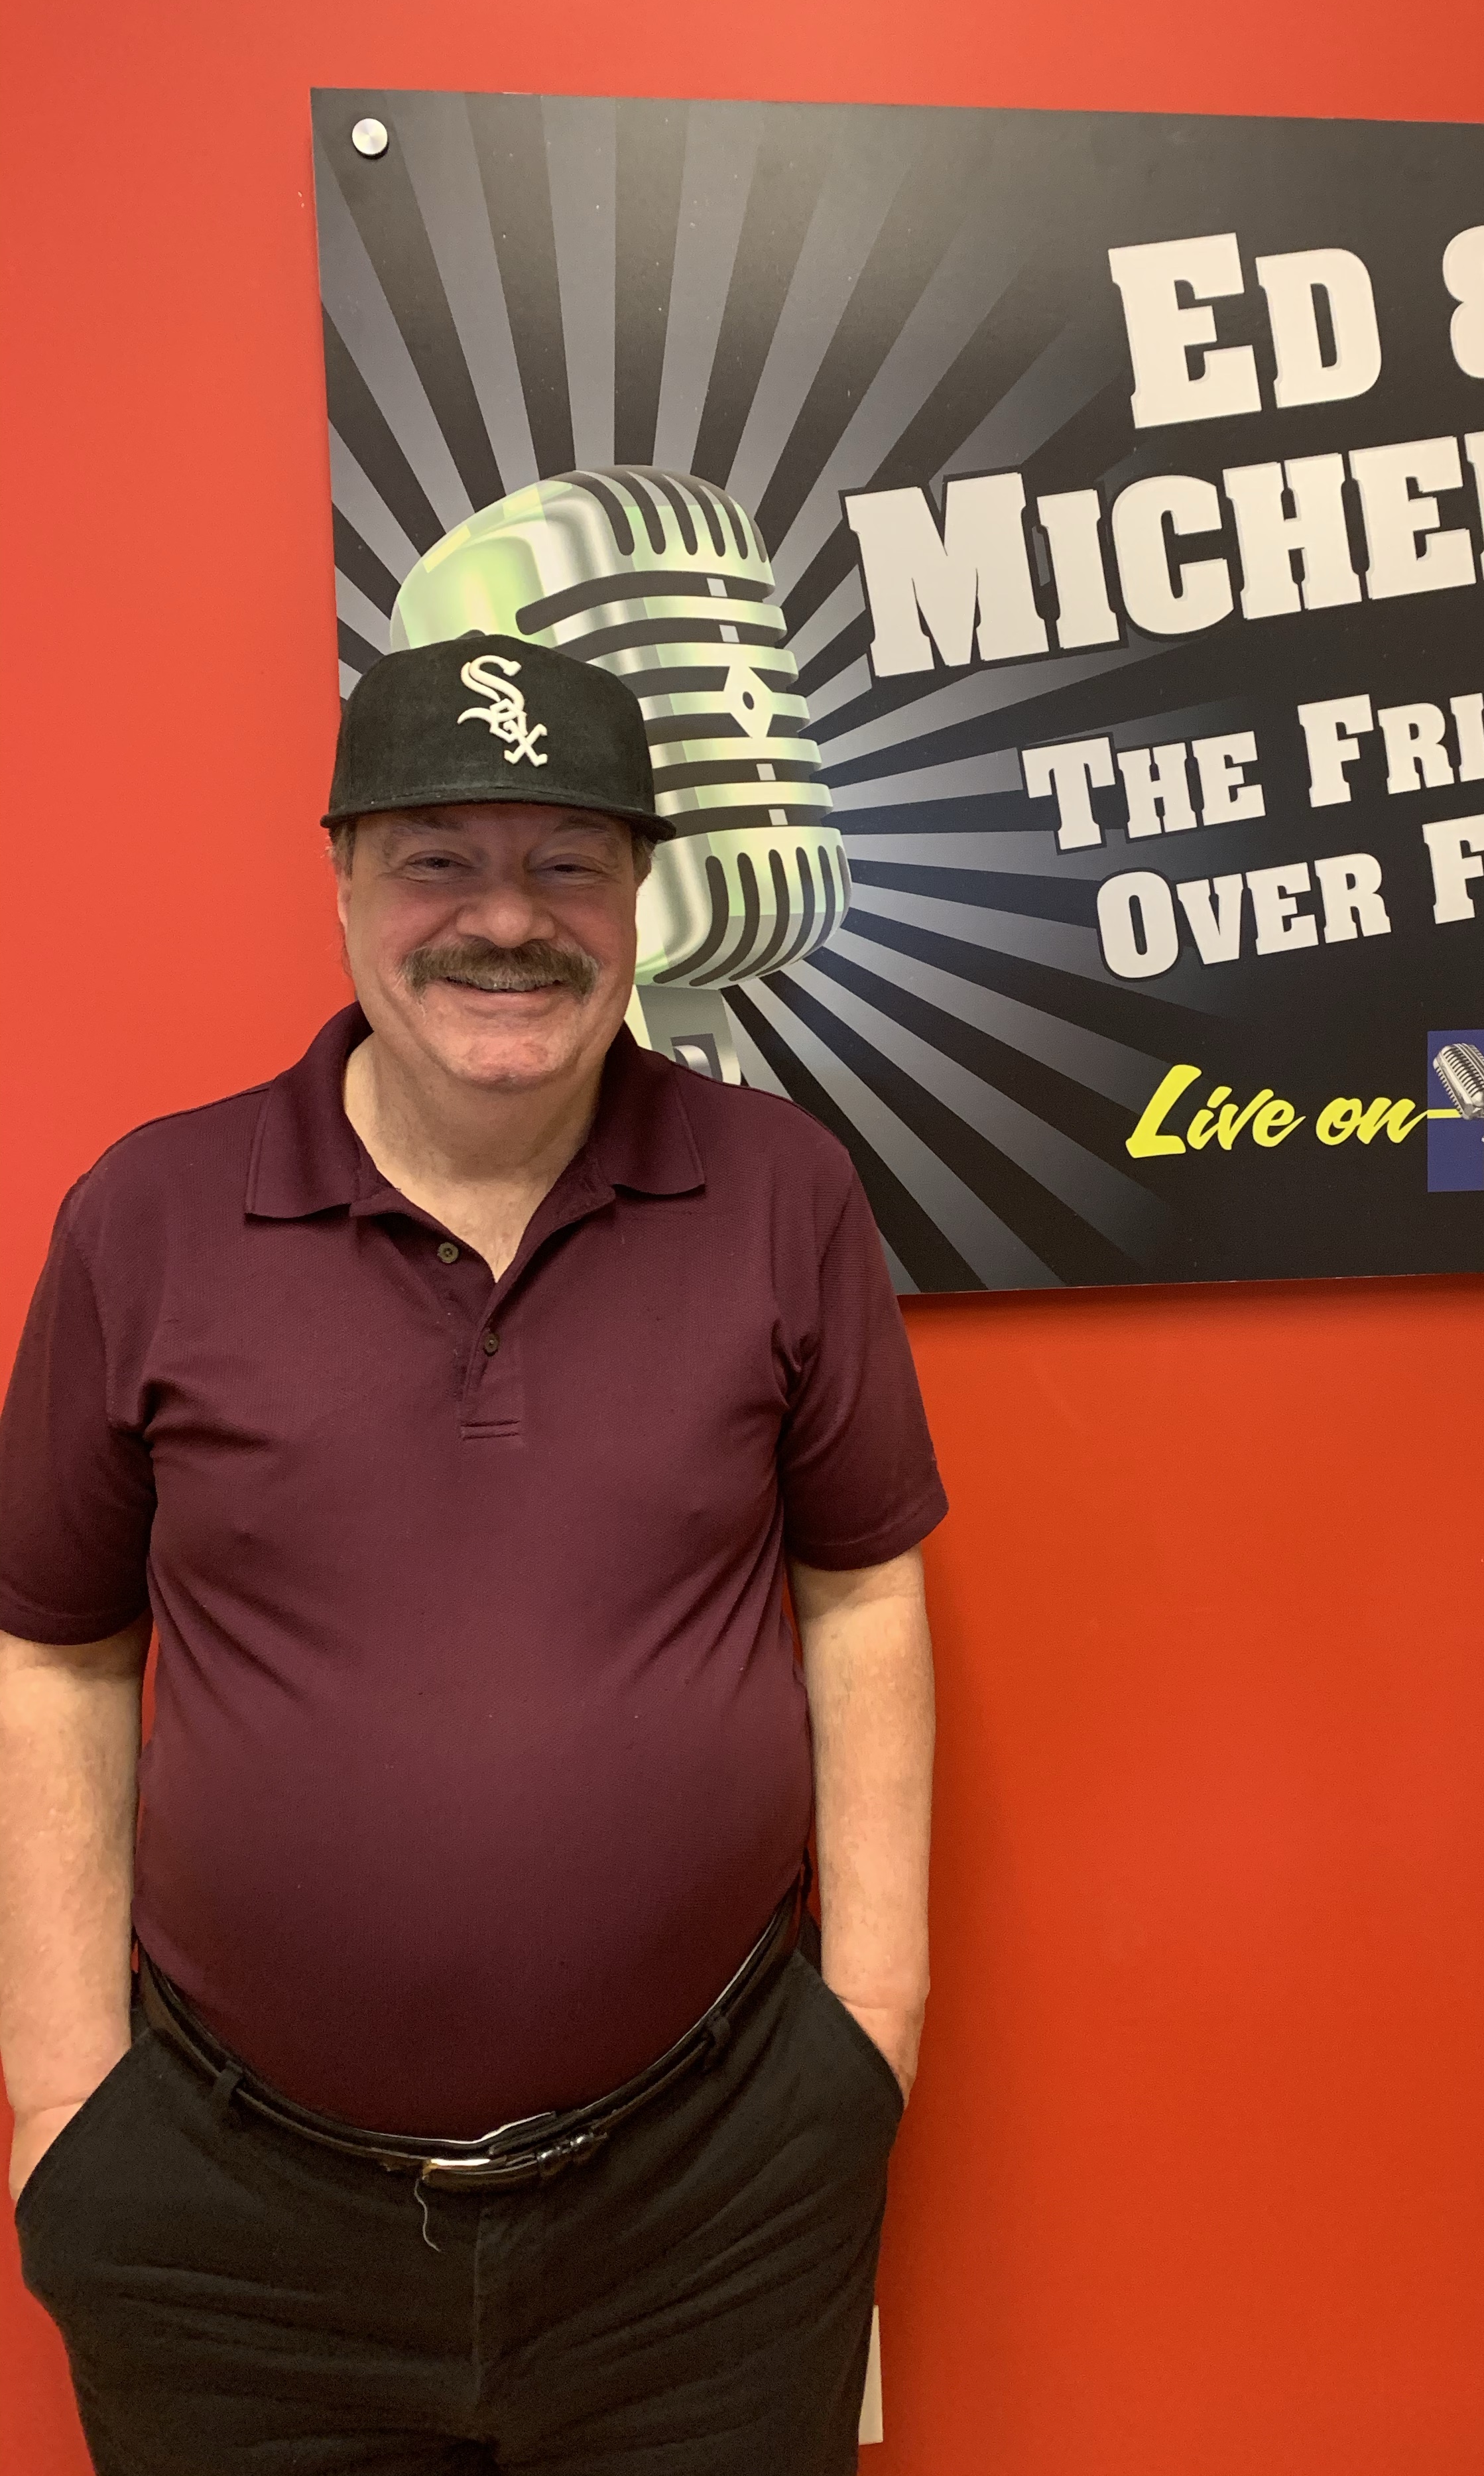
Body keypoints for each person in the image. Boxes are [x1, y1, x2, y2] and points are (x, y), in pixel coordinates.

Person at [0, 633, 945, 2476]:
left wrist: (872, 2035)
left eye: (566, 862)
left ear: (640, 893)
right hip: (227, 2229)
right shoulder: (149, 1215)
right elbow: (55, 1646)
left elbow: (860, 1593)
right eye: (440, 857)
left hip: (714, 2209)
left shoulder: (782, 1190)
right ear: (345, 877)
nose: (506, 920)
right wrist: (60, 2102)